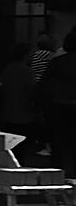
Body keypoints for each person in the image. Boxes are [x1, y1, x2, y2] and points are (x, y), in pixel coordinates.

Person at [38, 38, 76, 170]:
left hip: (57, 104)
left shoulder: (57, 62)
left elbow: (44, 83)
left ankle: (57, 166)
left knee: (57, 137)